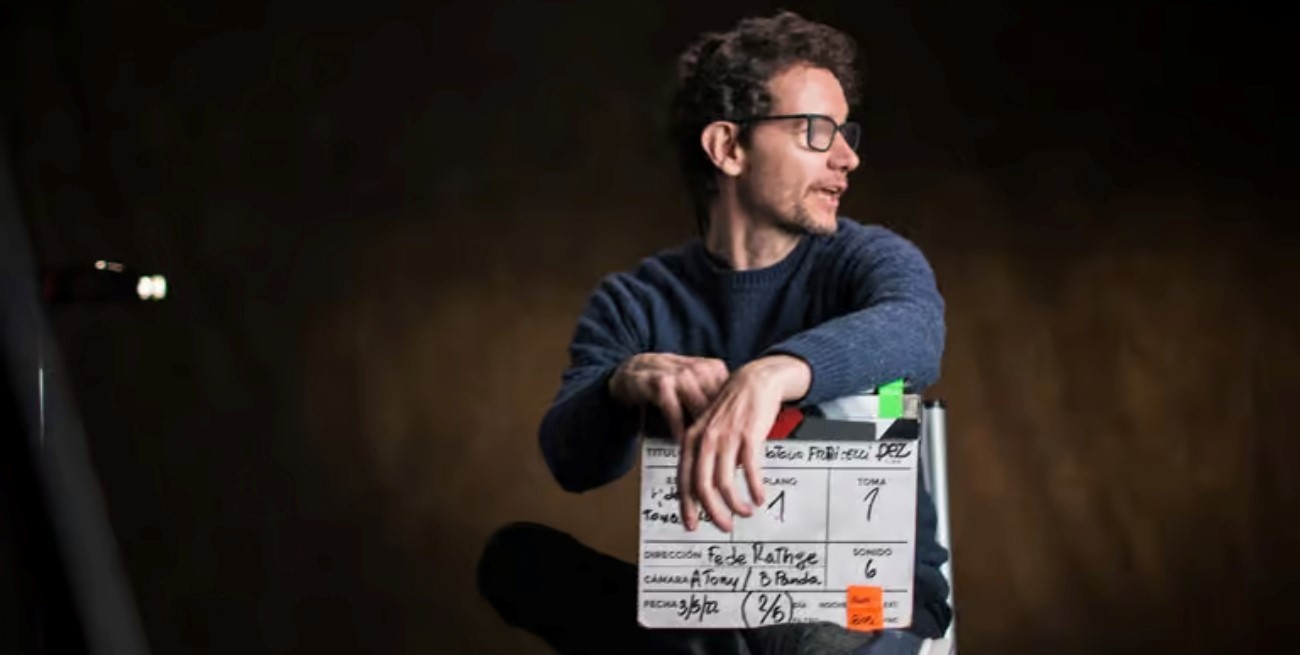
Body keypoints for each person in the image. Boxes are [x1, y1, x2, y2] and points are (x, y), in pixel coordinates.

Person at [478, 10, 951, 655]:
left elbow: (915, 332)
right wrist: (620, 385)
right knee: (516, 560)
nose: (849, 157)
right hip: (709, 601)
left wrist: (771, 374)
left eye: (846, 132)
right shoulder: (634, 302)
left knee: (789, 632)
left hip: (862, 602)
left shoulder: (868, 259)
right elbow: (572, 463)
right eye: (817, 132)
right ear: (728, 147)